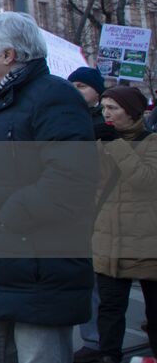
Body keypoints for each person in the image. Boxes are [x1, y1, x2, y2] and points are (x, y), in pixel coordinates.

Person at [0, 12, 96, 363]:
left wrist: (12, 214)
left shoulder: (54, 96)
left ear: (8, 56)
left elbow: (72, 177)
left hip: (37, 269)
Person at [90, 84, 156, 363]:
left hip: (147, 241)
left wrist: (115, 145)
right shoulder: (100, 141)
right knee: (110, 309)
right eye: (104, 108)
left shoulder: (152, 142)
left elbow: (145, 180)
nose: (106, 114)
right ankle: (108, 356)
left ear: (131, 112)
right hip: (108, 238)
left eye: (113, 108)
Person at [69, 66, 117, 142]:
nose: (74, 90)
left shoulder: (109, 118)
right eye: (71, 86)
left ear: (97, 91)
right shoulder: (60, 115)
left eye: (81, 86)